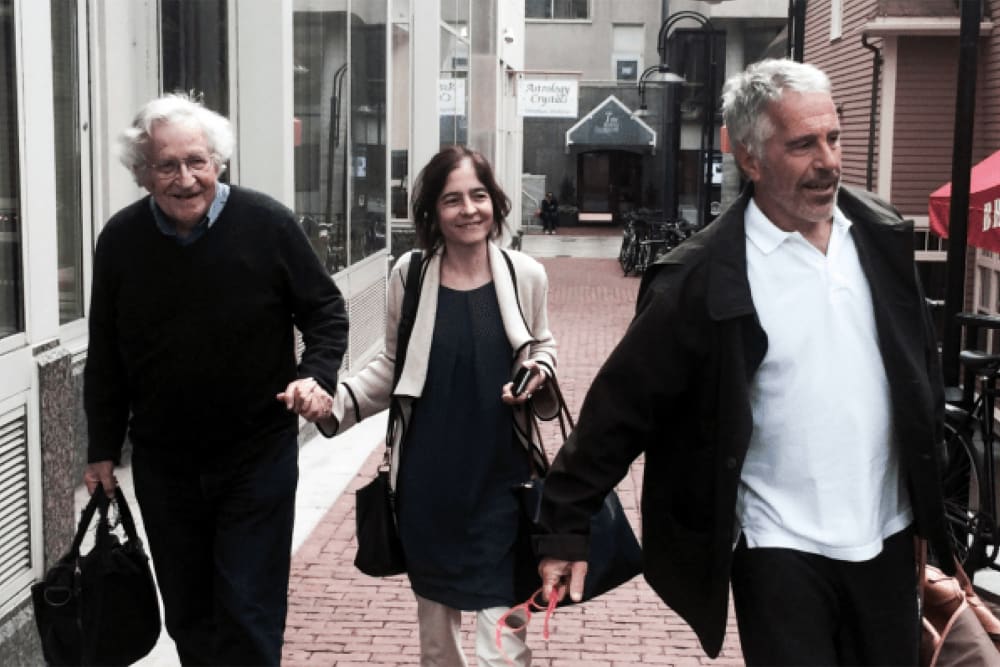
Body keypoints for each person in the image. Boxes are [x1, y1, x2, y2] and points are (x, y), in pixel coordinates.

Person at [534, 58, 953, 666]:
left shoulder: (882, 237)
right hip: (776, 546)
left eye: (833, 138)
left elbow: (922, 371)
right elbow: (623, 406)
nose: (829, 161)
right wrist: (565, 524)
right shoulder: (703, 277)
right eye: (803, 144)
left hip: (887, 538)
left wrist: (930, 499)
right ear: (751, 159)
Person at [82, 94, 348, 666]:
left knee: (247, 609)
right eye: (167, 165)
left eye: (196, 161)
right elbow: (105, 350)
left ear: (218, 163)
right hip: (164, 462)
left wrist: (315, 376)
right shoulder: (121, 241)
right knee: (189, 612)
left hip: (255, 456)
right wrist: (101, 448)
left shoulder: (267, 223)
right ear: (142, 172)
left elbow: (326, 311)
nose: (185, 179)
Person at [316, 145, 558, 666]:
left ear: (495, 202)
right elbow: (394, 365)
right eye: (452, 200)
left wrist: (538, 372)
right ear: (432, 212)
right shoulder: (411, 274)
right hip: (430, 486)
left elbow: (543, 346)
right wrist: (336, 406)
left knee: (505, 645)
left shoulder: (526, 275)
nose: (469, 209)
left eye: (478, 196)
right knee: (437, 646)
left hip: (506, 483)